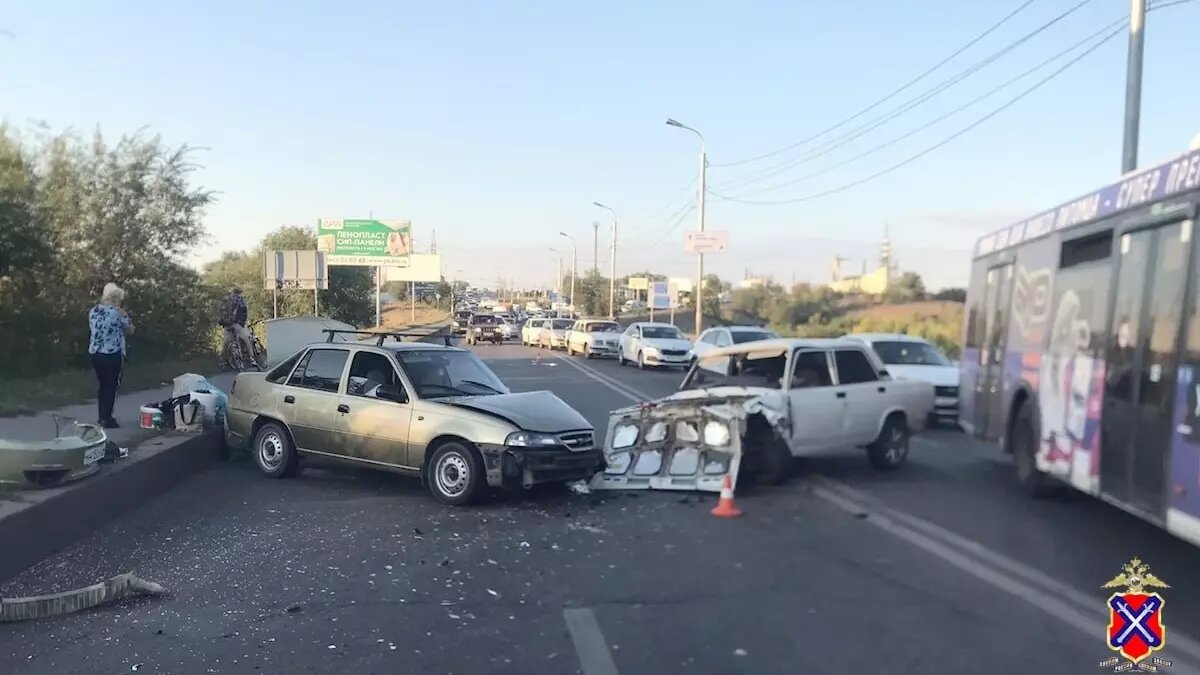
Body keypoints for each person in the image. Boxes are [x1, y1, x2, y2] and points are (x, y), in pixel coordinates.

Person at [89, 282, 134, 429]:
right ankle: (106, 418)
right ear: (116, 298)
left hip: (96, 353)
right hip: (112, 353)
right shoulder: (118, 312)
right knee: (111, 385)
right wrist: (124, 317)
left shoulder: (93, 311)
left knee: (103, 385)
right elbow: (130, 330)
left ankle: (101, 415)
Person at [220, 287, 254, 368]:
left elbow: (221, 314)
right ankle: (252, 359)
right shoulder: (240, 299)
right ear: (240, 293)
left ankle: (223, 361)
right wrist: (242, 323)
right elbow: (244, 311)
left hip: (227, 324)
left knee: (226, 343)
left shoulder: (226, 301)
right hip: (238, 324)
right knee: (246, 339)